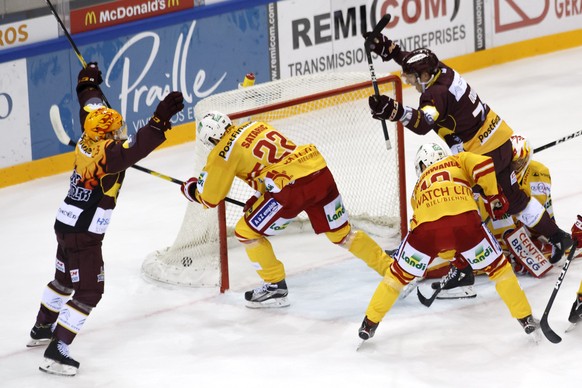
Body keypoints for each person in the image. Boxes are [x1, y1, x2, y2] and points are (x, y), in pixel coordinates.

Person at [27, 62, 184, 376]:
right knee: (89, 291)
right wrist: (158, 121)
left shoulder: (90, 134)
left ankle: (42, 326)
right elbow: (137, 146)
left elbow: (91, 106)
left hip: (65, 224)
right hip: (85, 233)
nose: (119, 133)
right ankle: (57, 350)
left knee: (64, 280)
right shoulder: (109, 154)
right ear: (108, 135)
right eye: (116, 132)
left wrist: (87, 84)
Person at [364, 33, 573, 265]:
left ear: (425, 75)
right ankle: (558, 236)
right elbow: (415, 62)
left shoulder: (435, 95)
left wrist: (395, 111)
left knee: (455, 197)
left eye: (413, 79)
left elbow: (423, 123)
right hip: (501, 140)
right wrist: (390, 50)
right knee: (515, 200)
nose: (411, 83)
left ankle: (459, 262)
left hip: (484, 157)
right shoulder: (441, 71)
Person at [180, 112, 392, 308]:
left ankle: (274, 287)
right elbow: (272, 162)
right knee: (342, 235)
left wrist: (192, 190)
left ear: (210, 140)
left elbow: (210, 198)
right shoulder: (256, 125)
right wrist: (258, 198)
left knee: (245, 232)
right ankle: (392, 270)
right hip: (318, 172)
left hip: (290, 189)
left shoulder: (222, 151)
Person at [358, 143, 539, 343]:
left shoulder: (417, 188)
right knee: (499, 270)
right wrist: (493, 195)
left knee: (395, 277)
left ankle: (369, 324)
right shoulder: (456, 160)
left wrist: (451, 254)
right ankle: (525, 318)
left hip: (425, 233)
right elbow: (485, 166)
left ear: (421, 165)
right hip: (466, 224)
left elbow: (429, 231)